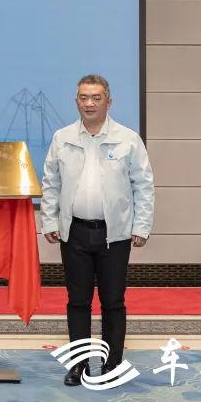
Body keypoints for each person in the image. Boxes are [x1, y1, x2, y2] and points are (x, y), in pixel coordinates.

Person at [40, 74, 154, 386]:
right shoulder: (62, 138)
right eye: (83, 97)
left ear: (108, 101)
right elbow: (51, 183)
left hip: (114, 235)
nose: (89, 103)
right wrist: (49, 220)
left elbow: (143, 186)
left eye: (96, 98)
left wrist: (141, 226)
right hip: (74, 232)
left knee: (113, 301)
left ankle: (111, 364)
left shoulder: (128, 139)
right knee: (77, 301)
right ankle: (78, 365)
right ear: (76, 101)